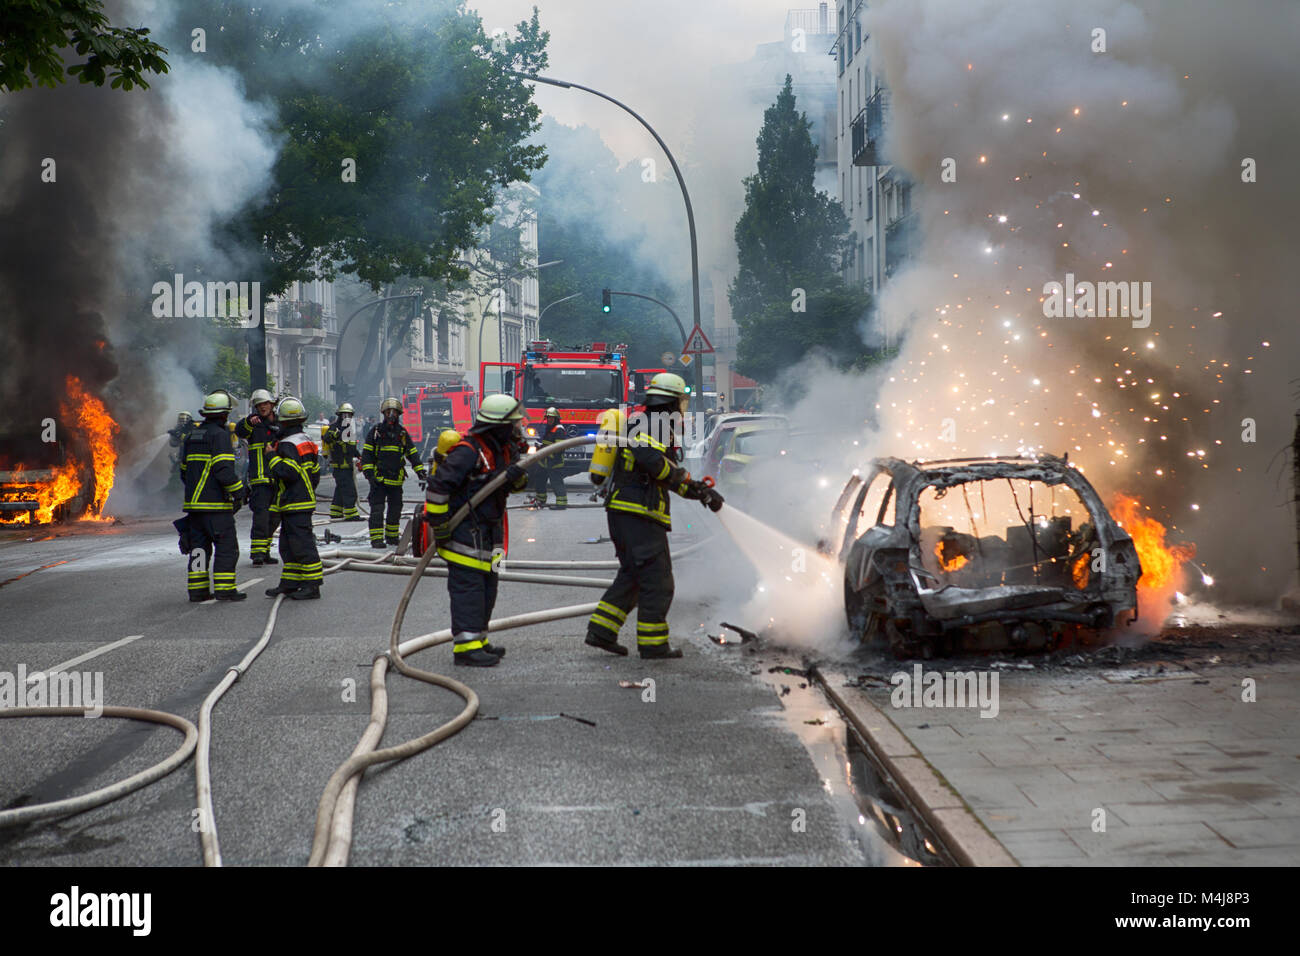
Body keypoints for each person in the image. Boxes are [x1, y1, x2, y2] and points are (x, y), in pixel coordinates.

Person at [585, 373, 722, 659]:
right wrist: (686, 481)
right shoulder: (650, 424)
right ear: (670, 402)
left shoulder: (649, 423)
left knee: (634, 576)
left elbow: (664, 470)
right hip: (639, 515)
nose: (681, 409)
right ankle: (653, 645)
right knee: (658, 582)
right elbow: (653, 464)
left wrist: (699, 492)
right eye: (680, 402)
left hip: (629, 513)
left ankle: (601, 631)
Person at [424, 394, 530, 666]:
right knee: (469, 589)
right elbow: (438, 487)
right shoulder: (468, 451)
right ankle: (466, 648)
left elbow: (512, 487)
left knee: (488, 587)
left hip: (491, 532)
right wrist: (440, 526)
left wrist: (516, 476)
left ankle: (479, 639)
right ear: (498, 426)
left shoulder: (502, 450)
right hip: (465, 533)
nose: (517, 429)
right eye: (513, 425)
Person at [180, 392, 247, 602]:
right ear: (224, 415)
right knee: (226, 548)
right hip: (216, 507)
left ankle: (198, 591)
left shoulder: (191, 436)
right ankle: (225, 589)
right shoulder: (220, 436)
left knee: (198, 549)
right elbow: (223, 470)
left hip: (194, 508)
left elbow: (183, 471)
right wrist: (239, 491)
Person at [264, 397, 323, 600]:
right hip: (300, 500)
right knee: (288, 545)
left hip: (295, 501)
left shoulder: (287, 444)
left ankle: (312, 585)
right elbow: (315, 472)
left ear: (284, 421)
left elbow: (288, 472)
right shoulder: (305, 440)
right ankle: (290, 582)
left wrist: (271, 456)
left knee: (302, 545)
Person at [361, 397, 426, 548]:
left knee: (395, 510)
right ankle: (376, 539)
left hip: (396, 480)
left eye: (394, 412)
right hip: (379, 480)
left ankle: (391, 537)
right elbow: (367, 455)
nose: (391, 415)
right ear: (383, 413)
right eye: (388, 412)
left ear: (399, 414)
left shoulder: (402, 434)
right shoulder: (376, 432)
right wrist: (370, 476)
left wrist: (421, 472)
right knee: (377, 509)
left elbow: (412, 454)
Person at [235, 388, 281, 565]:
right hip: (260, 479)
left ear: (272, 404)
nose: (262, 407)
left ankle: (266, 549)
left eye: (265, 404)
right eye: (259, 405)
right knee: (261, 517)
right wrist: (248, 421)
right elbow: (240, 431)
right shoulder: (253, 424)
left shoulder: (280, 423)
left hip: (277, 478)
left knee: (275, 517)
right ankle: (257, 553)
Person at [322, 401, 361, 520]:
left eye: (349, 415)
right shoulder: (335, 428)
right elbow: (326, 438)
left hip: (347, 465)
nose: (347, 418)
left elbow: (352, 448)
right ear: (339, 415)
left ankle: (336, 511)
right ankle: (351, 514)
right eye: (344, 415)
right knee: (350, 491)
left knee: (340, 489)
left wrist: (360, 456)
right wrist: (334, 435)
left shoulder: (349, 431)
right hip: (340, 466)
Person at [530, 406, 568, 510]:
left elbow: (559, 448)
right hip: (544, 462)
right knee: (539, 480)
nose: (549, 420)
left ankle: (561, 503)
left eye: (551, 418)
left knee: (556, 482)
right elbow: (547, 444)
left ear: (556, 419)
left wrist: (550, 458)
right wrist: (539, 446)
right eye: (548, 418)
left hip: (554, 462)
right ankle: (541, 500)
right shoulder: (549, 428)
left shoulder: (559, 430)